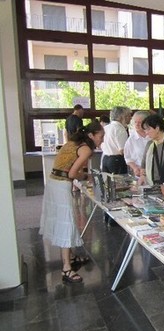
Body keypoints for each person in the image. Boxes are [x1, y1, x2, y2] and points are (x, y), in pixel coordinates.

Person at [39, 120, 105, 283]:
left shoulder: (74, 142)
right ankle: (67, 268)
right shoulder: (86, 148)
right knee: (66, 223)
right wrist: (87, 177)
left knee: (65, 221)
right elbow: (72, 173)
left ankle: (72, 257)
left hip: (53, 184)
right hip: (61, 186)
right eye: (100, 136)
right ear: (91, 135)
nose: (102, 140)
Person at [138, 114, 164, 186]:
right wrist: (143, 176)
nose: (146, 132)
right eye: (145, 130)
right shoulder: (150, 144)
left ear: (157, 128)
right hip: (155, 184)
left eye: (148, 129)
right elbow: (143, 165)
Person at [101, 106, 131, 174]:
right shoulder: (120, 129)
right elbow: (122, 150)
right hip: (116, 161)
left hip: (105, 159)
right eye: (128, 116)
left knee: (107, 183)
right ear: (121, 117)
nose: (130, 118)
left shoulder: (106, 128)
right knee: (119, 183)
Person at [124, 110, 151, 177]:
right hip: (140, 173)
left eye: (140, 122)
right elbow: (128, 157)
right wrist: (135, 168)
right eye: (135, 122)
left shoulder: (152, 136)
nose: (137, 124)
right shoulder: (131, 139)